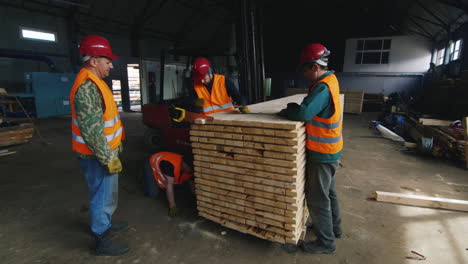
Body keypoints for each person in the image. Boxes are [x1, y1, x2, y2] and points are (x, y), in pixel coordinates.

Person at [69, 35, 129, 256]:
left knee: (107, 195)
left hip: (105, 151)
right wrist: (108, 158)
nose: (111, 65)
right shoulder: (87, 87)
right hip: (96, 156)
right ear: (94, 61)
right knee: (102, 197)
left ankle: (105, 222)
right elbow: (92, 131)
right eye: (108, 61)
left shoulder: (96, 82)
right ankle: (101, 239)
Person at [280, 43, 343, 254]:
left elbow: (302, 114)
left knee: (317, 198)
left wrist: (288, 110)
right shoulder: (331, 80)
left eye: (305, 70)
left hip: (322, 152)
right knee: (329, 192)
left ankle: (326, 243)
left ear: (315, 67)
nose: (305, 75)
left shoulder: (322, 88)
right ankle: (335, 229)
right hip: (331, 148)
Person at [142, 152, 194, 217]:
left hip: (163, 164)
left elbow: (191, 181)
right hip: (152, 161)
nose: (190, 171)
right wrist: (172, 207)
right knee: (153, 193)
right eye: (189, 168)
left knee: (171, 183)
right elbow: (169, 186)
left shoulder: (189, 169)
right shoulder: (170, 165)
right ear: (184, 164)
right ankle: (144, 178)